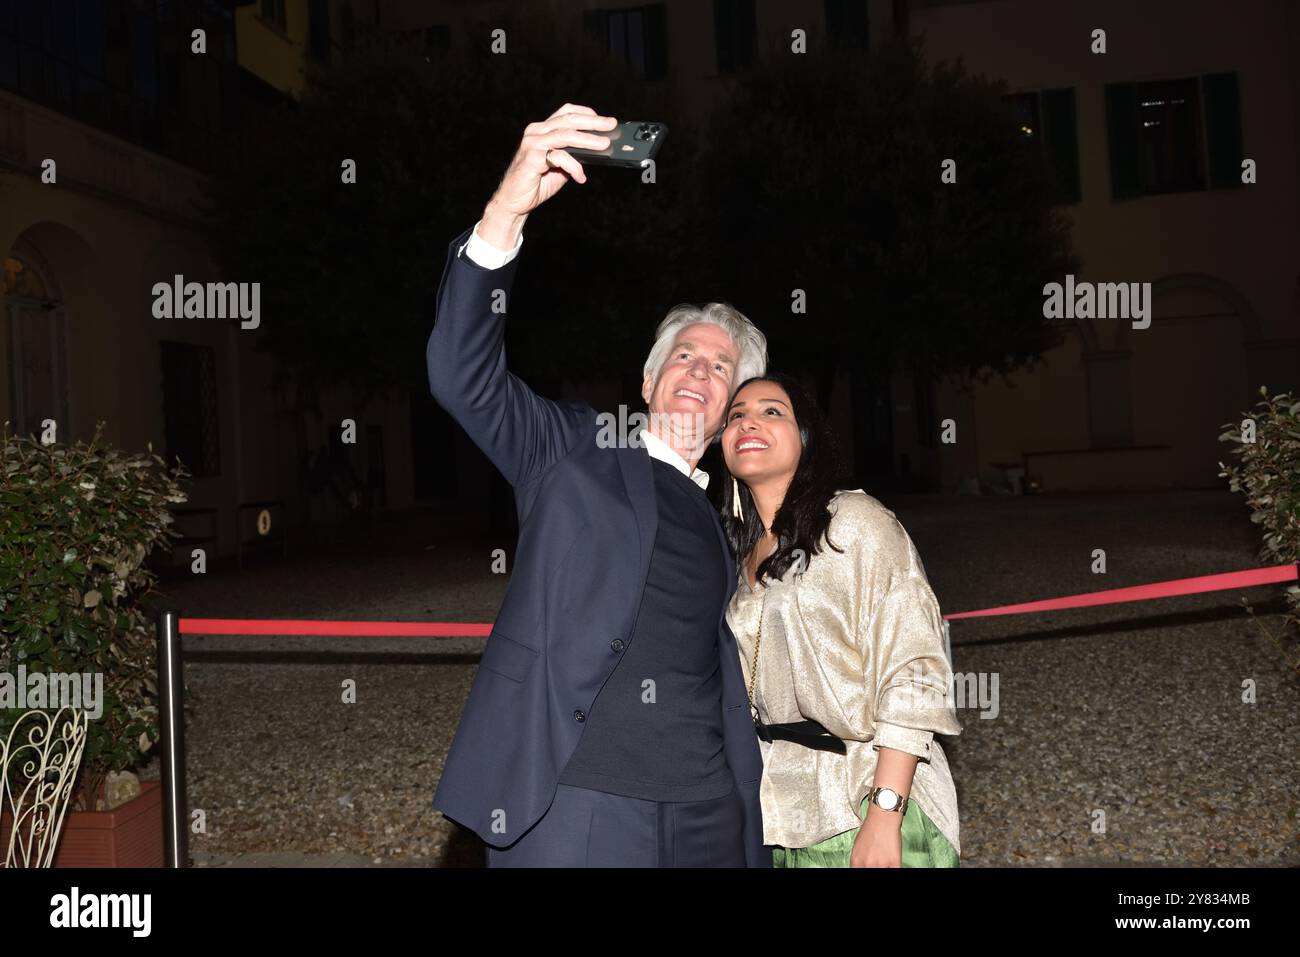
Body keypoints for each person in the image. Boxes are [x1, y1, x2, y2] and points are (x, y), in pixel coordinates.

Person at [427, 103, 772, 867]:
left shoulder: (727, 520)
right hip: (575, 811)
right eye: (685, 356)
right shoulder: (573, 449)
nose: (700, 372)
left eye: (721, 369)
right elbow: (461, 374)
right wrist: (504, 213)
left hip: (707, 814)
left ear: (728, 408)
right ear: (649, 378)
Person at [720, 372, 963, 867]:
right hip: (778, 819)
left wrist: (885, 813)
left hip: (864, 798)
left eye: (772, 411)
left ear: (806, 438)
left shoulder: (853, 521)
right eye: (736, 415)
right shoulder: (732, 553)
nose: (749, 421)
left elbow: (915, 668)